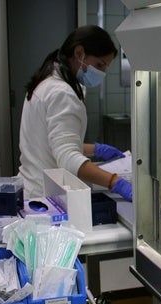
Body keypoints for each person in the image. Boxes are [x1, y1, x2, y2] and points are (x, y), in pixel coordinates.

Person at [17, 25, 132, 201]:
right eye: (100, 64)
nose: (102, 73)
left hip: (33, 189)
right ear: (79, 53)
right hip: (47, 196)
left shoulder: (46, 82)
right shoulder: (62, 93)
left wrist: (96, 149)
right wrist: (115, 182)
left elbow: (52, 143)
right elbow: (68, 159)